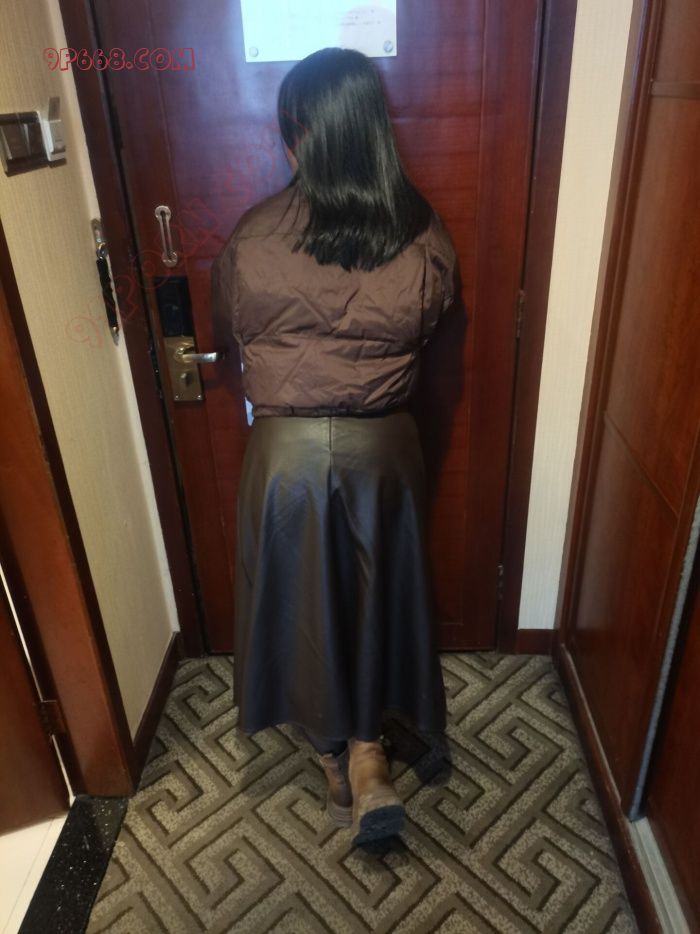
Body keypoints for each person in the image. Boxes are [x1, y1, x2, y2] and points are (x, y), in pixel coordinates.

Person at [210, 46, 458, 846]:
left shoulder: (252, 237)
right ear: (373, 129)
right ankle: (369, 754)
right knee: (376, 590)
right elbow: (431, 326)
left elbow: (231, 334)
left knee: (302, 600)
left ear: (298, 133)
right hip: (382, 448)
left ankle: (331, 758)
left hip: (284, 454)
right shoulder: (422, 235)